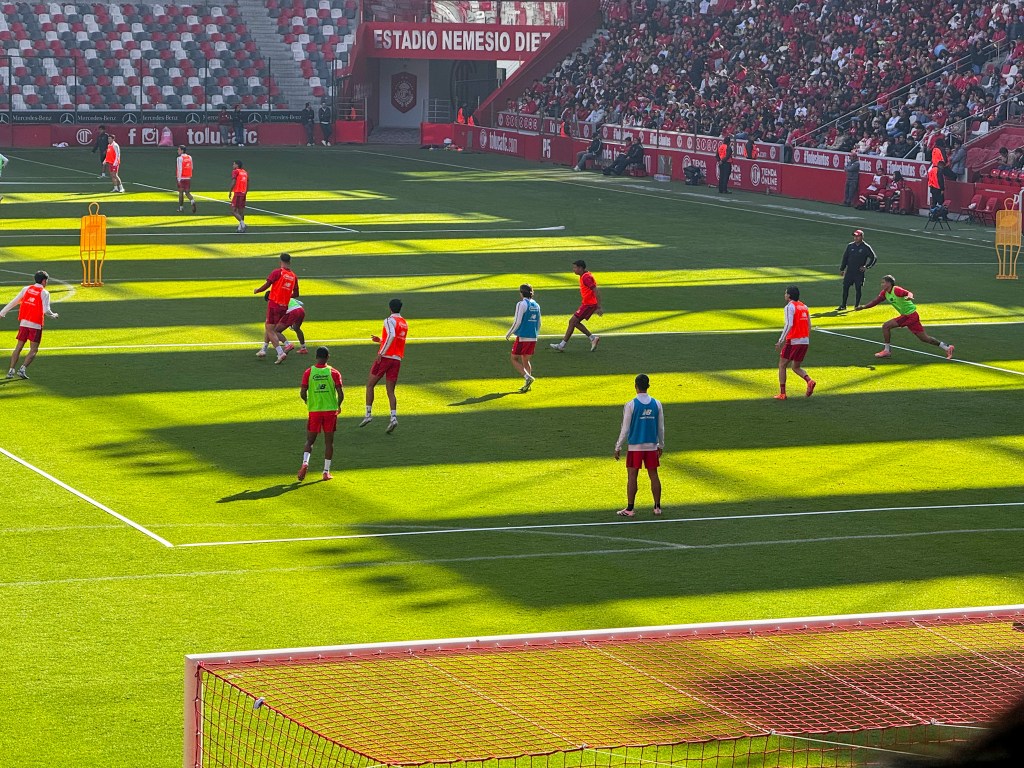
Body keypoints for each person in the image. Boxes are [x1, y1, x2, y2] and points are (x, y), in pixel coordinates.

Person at [855, 275, 955, 359]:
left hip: (910, 316)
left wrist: (910, 296)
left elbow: (908, 293)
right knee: (924, 338)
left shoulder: (896, 290)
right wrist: (863, 307)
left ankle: (887, 350)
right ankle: (947, 347)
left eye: (883, 282)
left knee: (886, 326)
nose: (882, 285)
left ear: (889, 283)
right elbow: (875, 301)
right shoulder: (885, 293)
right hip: (909, 316)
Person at [613, 373, 664, 517]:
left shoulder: (631, 404)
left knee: (632, 476)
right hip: (651, 446)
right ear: (648, 386)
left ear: (635, 386)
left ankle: (630, 509)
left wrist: (618, 447)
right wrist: (661, 444)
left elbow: (625, 428)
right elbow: (661, 427)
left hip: (635, 446)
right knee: (653, 475)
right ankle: (657, 507)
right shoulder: (657, 404)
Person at [0, 270, 59, 380]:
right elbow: (46, 311)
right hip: (35, 324)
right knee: (34, 349)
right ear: (44, 281)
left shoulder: (26, 289)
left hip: (24, 322)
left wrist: (2, 313)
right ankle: (22, 369)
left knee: (18, 347)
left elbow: (14, 301)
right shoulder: (44, 293)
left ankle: (10, 371)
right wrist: (54, 315)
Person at [360, 298, 407, 434]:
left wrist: (381, 352)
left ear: (390, 308)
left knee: (370, 385)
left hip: (385, 358)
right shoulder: (404, 323)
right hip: (397, 359)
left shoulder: (388, 320)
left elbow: (391, 335)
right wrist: (380, 341)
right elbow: (396, 340)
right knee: (390, 391)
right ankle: (393, 418)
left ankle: (368, 414)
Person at [298, 346, 343, 482]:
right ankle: (325, 472)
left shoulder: (309, 372)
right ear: (328, 357)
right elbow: (341, 394)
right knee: (329, 442)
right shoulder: (334, 373)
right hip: (330, 411)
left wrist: (308, 401)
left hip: (315, 411)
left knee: (310, 441)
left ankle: (305, 462)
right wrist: (338, 405)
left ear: (316, 357)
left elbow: (302, 393)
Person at [252, 253, 299, 363]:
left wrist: (257, 290)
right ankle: (263, 349)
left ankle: (280, 352)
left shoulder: (277, 272)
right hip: (284, 307)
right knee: (268, 325)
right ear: (290, 262)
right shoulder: (293, 276)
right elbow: (296, 293)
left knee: (270, 329)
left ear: (280, 261)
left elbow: (267, 285)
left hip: (274, 304)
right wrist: (286, 295)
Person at [773, 285, 816, 400]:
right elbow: (809, 325)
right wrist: (805, 338)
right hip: (804, 340)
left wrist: (780, 341)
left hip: (793, 340)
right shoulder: (804, 306)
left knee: (782, 365)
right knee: (796, 366)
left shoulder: (789, 307)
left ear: (789, 295)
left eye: (786, 293)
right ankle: (809, 381)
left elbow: (789, 324)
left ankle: (782, 393)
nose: (785, 295)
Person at [550, 259, 602, 352]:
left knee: (573, 321)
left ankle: (562, 345)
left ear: (581, 268)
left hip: (589, 304)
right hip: (587, 304)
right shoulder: (584, 276)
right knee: (574, 322)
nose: (573, 269)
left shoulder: (586, 277)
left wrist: (598, 307)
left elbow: (596, 290)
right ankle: (592, 338)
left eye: (575, 267)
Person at [505, 284, 541, 392]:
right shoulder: (536, 305)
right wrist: (535, 334)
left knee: (514, 358)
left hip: (522, 337)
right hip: (533, 337)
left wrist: (509, 333)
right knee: (525, 360)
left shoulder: (521, 304)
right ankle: (527, 385)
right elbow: (539, 323)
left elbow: (517, 321)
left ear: (521, 293)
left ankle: (527, 377)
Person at [837, 229, 878, 310]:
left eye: (857, 236)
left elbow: (873, 257)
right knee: (845, 288)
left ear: (862, 237)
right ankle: (843, 305)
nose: (855, 238)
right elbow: (845, 258)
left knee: (858, 289)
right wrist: (842, 269)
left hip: (858, 272)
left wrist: (866, 266)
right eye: (854, 236)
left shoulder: (866, 247)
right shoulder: (850, 246)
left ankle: (856, 305)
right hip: (849, 271)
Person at [175, 145, 197, 214]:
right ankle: (192, 201)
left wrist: (179, 179)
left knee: (181, 193)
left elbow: (179, 169)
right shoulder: (189, 157)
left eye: (178, 150)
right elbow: (191, 167)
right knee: (187, 192)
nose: (177, 151)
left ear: (182, 150)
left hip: (182, 178)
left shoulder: (179, 158)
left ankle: (181, 207)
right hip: (188, 177)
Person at [228, 159, 248, 233]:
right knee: (241, 212)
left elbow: (233, 181)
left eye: (234, 164)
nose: (233, 165)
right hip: (243, 193)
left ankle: (243, 225)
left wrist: (230, 191)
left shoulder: (235, 171)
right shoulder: (245, 172)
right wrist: (246, 192)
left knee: (233, 211)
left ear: (237, 165)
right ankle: (240, 228)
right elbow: (247, 182)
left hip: (237, 193)